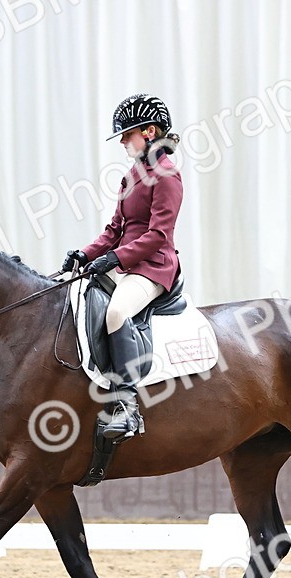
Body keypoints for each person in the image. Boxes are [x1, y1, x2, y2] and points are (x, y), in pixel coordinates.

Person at [62, 93, 183, 442]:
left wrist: (115, 259)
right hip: (128, 264)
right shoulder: (132, 174)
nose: (121, 141)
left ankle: (127, 407)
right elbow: (115, 230)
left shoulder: (166, 176)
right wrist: (85, 255)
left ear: (149, 132)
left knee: (116, 313)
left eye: (126, 134)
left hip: (154, 268)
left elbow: (159, 234)